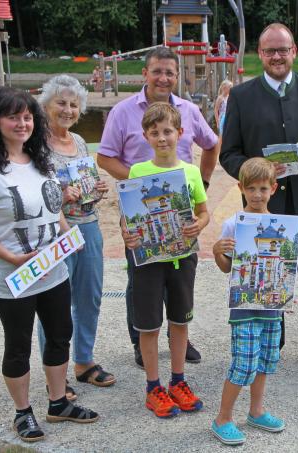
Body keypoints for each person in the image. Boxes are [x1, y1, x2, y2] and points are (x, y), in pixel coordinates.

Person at [0, 87, 99, 443]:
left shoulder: (40, 158)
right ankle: (23, 412)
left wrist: (68, 237)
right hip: (12, 274)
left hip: (52, 267)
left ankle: (57, 402)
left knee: (59, 334)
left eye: (27, 116)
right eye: (13, 117)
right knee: (18, 344)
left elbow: (53, 206)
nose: (22, 123)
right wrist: (11, 257)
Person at [220, 23, 298, 374]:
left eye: (283, 49)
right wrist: (256, 172)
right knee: (268, 278)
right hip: (264, 208)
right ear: (260, 54)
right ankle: (270, 345)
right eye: (270, 50)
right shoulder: (242, 97)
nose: (277, 56)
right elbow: (228, 155)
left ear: (294, 51)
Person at [97, 46, 218, 367]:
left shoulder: (190, 111)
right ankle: (141, 340)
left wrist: (202, 182)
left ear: (177, 76)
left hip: (179, 208)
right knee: (141, 278)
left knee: (178, 276)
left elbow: (212, 144)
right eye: (157, 72)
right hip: (140, 206)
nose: (163, 78)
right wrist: (142, 183)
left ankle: (179, 338)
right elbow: (105, 157)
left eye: (170, 73)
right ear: (145, 74)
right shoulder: (123, 112)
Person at [120, 102, 209, 418]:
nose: (162, 138)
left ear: (180, 133)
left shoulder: (191, 171)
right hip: (147, 261)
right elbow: (127, 218)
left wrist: (200, 223)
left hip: (183, 257)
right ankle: (153, 386)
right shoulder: (138, 171)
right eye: (154, 132)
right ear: (146, 136)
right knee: (149, 324)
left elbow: (203, 210)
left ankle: (178, 381)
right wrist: (127, 235)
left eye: (167, 131)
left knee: (180, 321)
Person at [34, 75, 114, 400]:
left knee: (89, 297)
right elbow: (37, 195)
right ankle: (57, 374)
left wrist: (96, 189)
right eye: (61, 103)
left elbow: (84, 185)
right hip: (56, 232)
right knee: (55, 304)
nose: (67, 110)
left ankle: (84, 361)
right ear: (46, 106)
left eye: (73, 104)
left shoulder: (80, 141)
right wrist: (62, 198)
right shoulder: (36, 145)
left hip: (89, 225)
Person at [210, 157, 286, 446]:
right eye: (251, 188)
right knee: (243, 364)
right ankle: (223, 418)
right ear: (240, 188)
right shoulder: (233, 224)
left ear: (273, 189)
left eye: (263, 189)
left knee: (266, 360)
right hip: (244, 307)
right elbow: (226, 267)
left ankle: (256, 411)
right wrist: (218, 250)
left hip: (271, 306)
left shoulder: (280, 226)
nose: (257, 195)